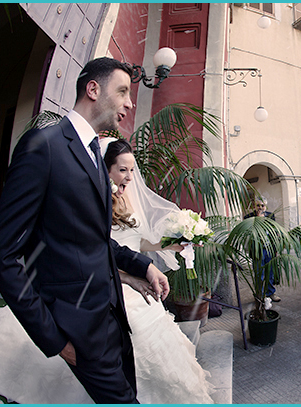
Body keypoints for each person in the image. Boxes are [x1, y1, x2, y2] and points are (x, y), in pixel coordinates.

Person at [0, 57, 169, 403]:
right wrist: (55, 340)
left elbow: (96, 239)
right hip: (79, 328)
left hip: (113, 316)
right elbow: (4, 255)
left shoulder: (96, 156)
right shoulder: (43, 147)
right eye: (123, 92)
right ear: (93, 89)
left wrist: (141, 265)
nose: (130, 103)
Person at [102, 138, 214, 403]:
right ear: (105, 169)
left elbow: (136, 242)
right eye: (122, 170)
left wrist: (174, 245)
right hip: (113, 283)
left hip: (136, 278)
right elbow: (100, 254)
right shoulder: (97, 203)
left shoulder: (126, 197)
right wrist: (130, 278)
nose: (129, 177)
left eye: (132, 170)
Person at [245, 196, 280, 302]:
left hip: (269, 249)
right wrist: (258, 219)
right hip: (257, 250)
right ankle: (259, 294)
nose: (260, 207)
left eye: (262, 205)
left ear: (266, 206)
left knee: (270, 273)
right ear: (254, 206)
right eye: (258, 205)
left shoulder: (271, 216)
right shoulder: (248, 217)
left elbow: (274, 230)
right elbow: (248, 232)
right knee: (259, 273)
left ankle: (270, 293)